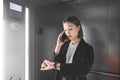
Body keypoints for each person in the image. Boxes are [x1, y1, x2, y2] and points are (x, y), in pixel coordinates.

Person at [40, 16, 94, 80]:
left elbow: (84, 69)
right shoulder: (65, 45)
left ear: (78, 28)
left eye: (70, 29)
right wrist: (58, 45)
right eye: (65, 30)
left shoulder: (87, 48)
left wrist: (54, 65)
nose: (67, 32)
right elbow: (53, 68)